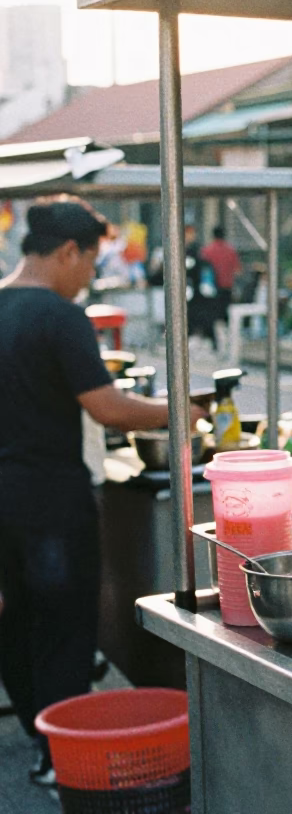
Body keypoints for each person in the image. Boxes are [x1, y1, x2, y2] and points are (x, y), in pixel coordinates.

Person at [0, 197, 204, 786]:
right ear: (68, 252)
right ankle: (58, 757)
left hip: (4, 500)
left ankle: (39, 741)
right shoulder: (61, 317)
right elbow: (108, 407)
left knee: (16, 623)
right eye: (90, 262)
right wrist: (178, 413)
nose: (91, 275)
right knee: (64, 626)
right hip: (53, 500)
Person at [201, 225, 241, 328]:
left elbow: (202, 270)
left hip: (211, 289)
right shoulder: (231, 251)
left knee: (212, 317)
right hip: (227, 288)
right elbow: (238, 270)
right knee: (226, 316)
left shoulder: (207, 251)